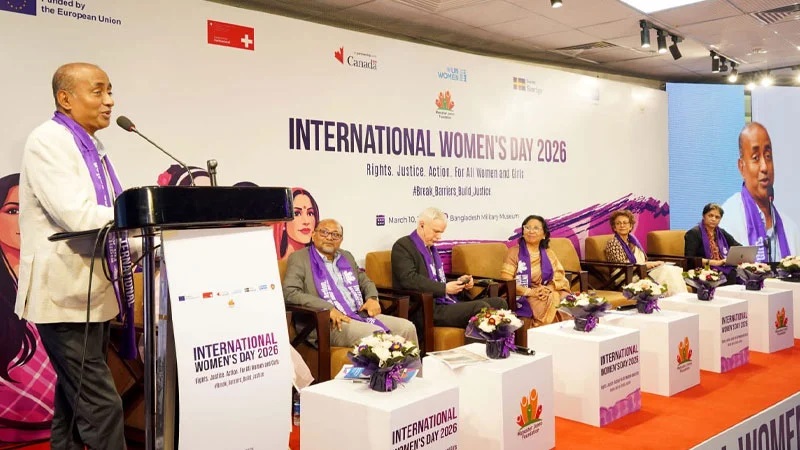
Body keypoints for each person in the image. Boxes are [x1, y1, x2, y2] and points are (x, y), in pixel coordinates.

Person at [14, 63, 134, 450]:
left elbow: (109, 219)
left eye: (110, 91)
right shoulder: (48, 140)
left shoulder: (92, 147)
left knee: (72, 402)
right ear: (65, 99)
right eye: (98, 91)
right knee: (101, 406)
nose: (109, 101)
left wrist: (147, 239)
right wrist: (140, 221)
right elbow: (78, 216)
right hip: (63, 297)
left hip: (93, 294)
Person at [283, 219, 417, 347]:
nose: (329, 237)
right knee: (375, 334)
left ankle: (409, 365)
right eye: (324, 232)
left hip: (359, 314)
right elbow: (290, 292)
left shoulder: (346, 256)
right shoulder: (300, 258)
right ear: (313, 235)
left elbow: (365, 281)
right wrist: (327, 308)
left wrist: (372, 298)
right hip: (327, 322)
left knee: (406, 328)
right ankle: (387, 365)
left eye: (335, 235)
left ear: (341, 240)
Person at [0, 173, 56, 443]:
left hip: (60, 425)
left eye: (33, 209)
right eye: (13, 210)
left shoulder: (57, 276)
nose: (24, 218)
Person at [391, 207, 507, 331]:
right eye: (436, 231)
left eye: (441, 232)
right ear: (422, 225)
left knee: (500, 303)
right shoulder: (403, 246)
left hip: (443, 302)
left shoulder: (430, 248)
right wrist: (444, 288)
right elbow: (409, 279)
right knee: (480, 307)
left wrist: (459, 282)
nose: (439, 237)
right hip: (424, 307)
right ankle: (484, 343)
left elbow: (436, 278)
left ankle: (500, 342)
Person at [720, 122, 800, 262]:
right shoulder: (728, 221)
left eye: (768, 156)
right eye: (756, 158)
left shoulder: (791, 230)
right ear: (741, 167)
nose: (764, 167)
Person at [499, 215, 570, 327]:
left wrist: (548, 289)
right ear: (523, 232)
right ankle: (543, 333)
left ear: (544, 235)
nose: (531, 231)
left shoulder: (549, 253)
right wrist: (531, 292)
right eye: (527, 227)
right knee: (547, 303)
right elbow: (506, 281)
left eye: (536, 228)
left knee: (569, 301)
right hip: (522, 294)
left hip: (546, 291)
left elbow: (559, 276)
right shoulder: (513, 252)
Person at [604, 210, 687, 295]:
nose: (622, 225)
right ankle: (675, 299)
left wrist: (652, 264)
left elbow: (643, 260)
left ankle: (677, 298)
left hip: (640, 271)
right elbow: (621, 266)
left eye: (625, 223)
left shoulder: (633, 241)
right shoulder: (613, 243)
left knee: (670, 270)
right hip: (625, 277)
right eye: (618, 223)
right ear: (614, 227)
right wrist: (645, 265)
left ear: (630, 226)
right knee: (666, 272)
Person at [684, 203, 741, 271]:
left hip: (723, 268)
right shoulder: (693, 233)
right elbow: (690, 259)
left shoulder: (722, 232)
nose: (713, 219)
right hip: (703, 270)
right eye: (710, 216)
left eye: (717, 217)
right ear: (703, 216)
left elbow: (738, 247)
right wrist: (716, 263)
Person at [274, 187, 319, 262]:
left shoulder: (321, 262)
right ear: (283, 222)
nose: (306, 221)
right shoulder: (271, 264)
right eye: (297, 213)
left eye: (310, 213)